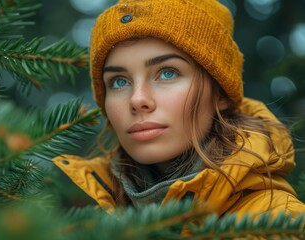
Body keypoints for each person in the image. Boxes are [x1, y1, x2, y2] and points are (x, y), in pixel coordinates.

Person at [53, 0, 305, 222]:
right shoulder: (85, 222)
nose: (137, 99)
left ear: (220, 94)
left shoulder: (280, 221)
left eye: (167, 73)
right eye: (119, 81)